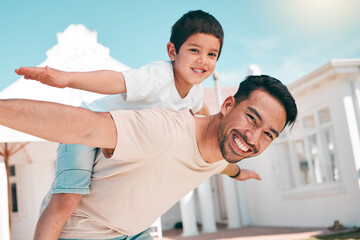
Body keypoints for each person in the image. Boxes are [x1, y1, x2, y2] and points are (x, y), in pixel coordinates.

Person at [0, 75, 297, 240]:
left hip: (132, 233)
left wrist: (240, 174)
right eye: (252, 119)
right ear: (228, 104)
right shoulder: (164, 129)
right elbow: (85, 127)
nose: (253, 139)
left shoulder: (224, 151)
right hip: (83, 236)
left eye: (269, 134)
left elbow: (225, 167)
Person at [15, 10, 226, 240]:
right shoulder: (158, 76)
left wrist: (224, 122)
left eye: (212, 54)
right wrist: (66, 79)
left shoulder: (195, 93)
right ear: (172, 52)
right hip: (87, 127)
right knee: (67, 200)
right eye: (194, 50)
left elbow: (203, 113)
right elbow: (115, 80)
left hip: (115, 140)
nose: (203, 60)